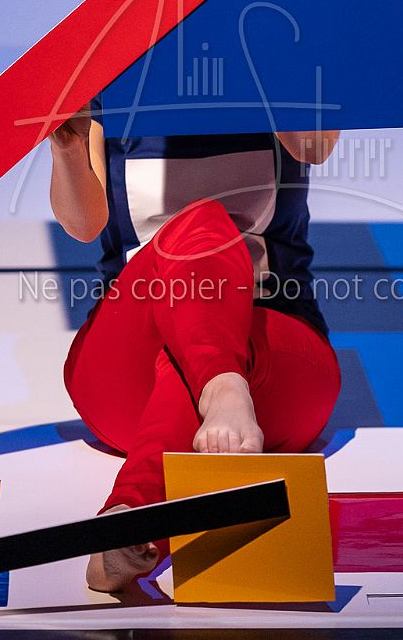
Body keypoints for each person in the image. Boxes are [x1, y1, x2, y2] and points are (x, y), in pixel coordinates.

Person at [47, 102, 342, 593]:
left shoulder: (283, 64)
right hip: (131, 370)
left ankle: (129, 515)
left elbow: (313, 147)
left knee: (191, 347)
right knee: (200, 224)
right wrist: (69, 149)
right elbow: (83, 225)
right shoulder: (110, 82)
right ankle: (221, 387)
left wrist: (274, 69)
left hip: (272, 364)